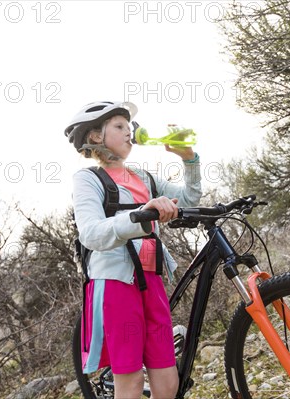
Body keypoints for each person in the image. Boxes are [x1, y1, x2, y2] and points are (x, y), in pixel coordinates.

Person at [65, 101, 202, 399]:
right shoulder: (88, 178)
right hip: (116, 284)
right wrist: (142, 214)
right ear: (96, 137)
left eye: (129, 126)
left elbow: (189, 200)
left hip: (151, 282)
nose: (129, 132)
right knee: (128, 382)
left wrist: (189, 160)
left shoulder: (144, 177)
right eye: (119, 126)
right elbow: (90, 233)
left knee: (167, 383)